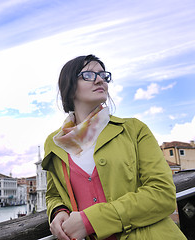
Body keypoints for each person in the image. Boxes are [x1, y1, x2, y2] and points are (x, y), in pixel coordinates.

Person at [41, 55, 186, 240]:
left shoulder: (134, 130)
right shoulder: (55, 143)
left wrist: (90, 221)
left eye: (103, 75)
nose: (100, 79)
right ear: (69, 88)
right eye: (89, 75)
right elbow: (54, 194)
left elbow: (163, 194)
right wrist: (58, 211)